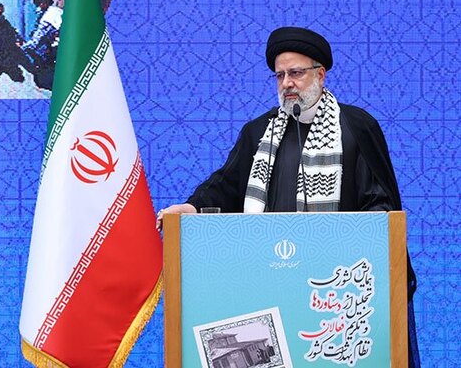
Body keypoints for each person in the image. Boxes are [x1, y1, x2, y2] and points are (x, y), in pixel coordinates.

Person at [156, 26, 420, 368]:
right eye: (280, 76)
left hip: (335, 290)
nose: (287, 84)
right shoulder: (258, 132)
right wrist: (191, 207)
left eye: (296, 73)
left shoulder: (356, 127)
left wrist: (346, 245)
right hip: (273, 279)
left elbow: (381, 205)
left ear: (320, 75)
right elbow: (226, 185)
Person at [22, 0, 62, 91]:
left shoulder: (48, 17)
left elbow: (38, 39)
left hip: (59, 48)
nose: (38, 7)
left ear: (43, 3)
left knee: (42, 75)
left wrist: (22, 48)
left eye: (39, 4)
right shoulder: (57, 11)